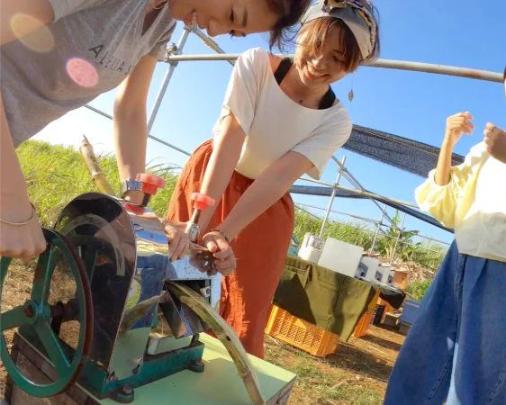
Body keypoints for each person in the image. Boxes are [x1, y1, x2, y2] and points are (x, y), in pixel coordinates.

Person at [0, 0, 310, 262]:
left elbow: (131, 109)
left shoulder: (163, 21)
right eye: (232, 16)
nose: (215, 31)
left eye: (231, 31)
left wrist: (133, 206)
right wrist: (11, 196)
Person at [166, 0, 380, 357]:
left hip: (263, 206)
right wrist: (199, 225)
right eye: (315, 46)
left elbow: (279, 175)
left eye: (338, 59)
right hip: (213, 176)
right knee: (180, 265)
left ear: (351, 67)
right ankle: (160, 349)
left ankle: (229, 378)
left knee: (247, 302)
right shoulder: (256, 65)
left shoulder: (336, 121)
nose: (320, 63)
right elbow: (231, 139)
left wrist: (225, 231)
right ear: (302, 33)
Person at [385, 70, 506, 404]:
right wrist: (448, 144)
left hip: (501, 270)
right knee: (425, 357)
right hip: (461, 257)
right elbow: (447, 206)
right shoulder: (487, 148)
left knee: (477, 382)